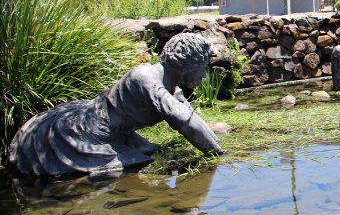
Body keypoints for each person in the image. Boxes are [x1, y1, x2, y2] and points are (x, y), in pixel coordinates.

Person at [8, 33, 224, 177]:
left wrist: (218, 148)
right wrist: (219, 157)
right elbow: (184, 123)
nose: (205, 75)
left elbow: (192, 119)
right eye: (203, 67)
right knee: (131, 166)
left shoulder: (172, 87)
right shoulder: (146, 77)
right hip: (88, 132)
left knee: (148, 155)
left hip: (121, 134)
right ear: (186, 64)